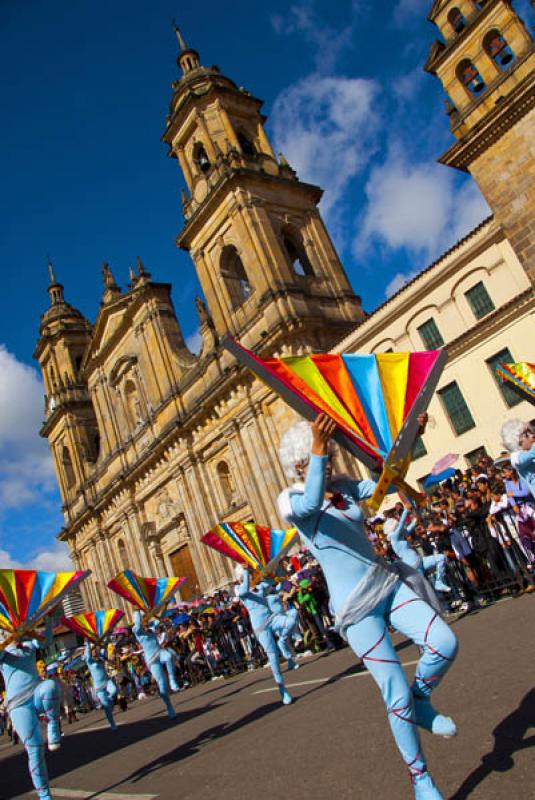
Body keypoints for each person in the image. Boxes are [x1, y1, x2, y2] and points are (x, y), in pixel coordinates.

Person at [278, 414, 458, 800]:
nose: (323, 464)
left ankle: (422, 700)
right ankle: (420, 779)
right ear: (299, 462)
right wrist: (318, 449)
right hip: (357, 611)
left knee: (444, 643)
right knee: (394, 692)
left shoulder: (343, 487)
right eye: (310, 457)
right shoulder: (290, 500)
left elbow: (384, 482)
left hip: (387, 584)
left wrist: (410, 439)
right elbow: (311, 504)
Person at [0, 620, 61, 800]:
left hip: (36, 693)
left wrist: (50, 620)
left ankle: (53, 724)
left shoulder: (28, 644)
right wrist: (9, 636)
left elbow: (45, 640)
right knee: (35, 749)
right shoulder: (4, 651)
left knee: (50, 686)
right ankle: (45, 796)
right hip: (18, 705)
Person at [236, 566, 293, 705]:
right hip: (261, 628)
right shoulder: (240, 592)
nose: (250, 577)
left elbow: (274, 582)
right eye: (247, 576)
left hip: (272, 619)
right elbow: (244, 590)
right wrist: (245, 572)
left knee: (291, 620)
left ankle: (282, 642)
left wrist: (269, 570)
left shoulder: (260, 587)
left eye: (250, 575)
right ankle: (282, 688)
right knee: (273, 658)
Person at [383, 507, 451, 594]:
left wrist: (415, 519)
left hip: (420, 561)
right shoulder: (394, 538)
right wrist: (406, 511)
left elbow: (408, 528)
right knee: (425, 590)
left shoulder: (399, 536)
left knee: (441, 558)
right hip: (413, 566)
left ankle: (439, 582)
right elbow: (401, 525)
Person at [132, 611, 176, 719]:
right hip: (151, 660)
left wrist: (164, 605)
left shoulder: (151, 630)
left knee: (169, 656)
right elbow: (138, 625)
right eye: (144, 624)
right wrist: (138, 611)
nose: (146, 625)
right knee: (162, 686)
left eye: (147, 623)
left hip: (159, 653)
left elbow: (159, 619)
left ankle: (172, 679)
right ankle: (169, 706)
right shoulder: (137, 632)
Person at [84, 641, 117, 730]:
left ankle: (110, 701)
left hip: (107, 682)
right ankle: (112, 724)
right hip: (99, 688)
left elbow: (109, 654)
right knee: (106, 707)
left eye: (95, 649)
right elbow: (87, 654)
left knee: (114, 690)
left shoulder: (101, 658)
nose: (94, 651)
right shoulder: (89, 661)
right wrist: (87, 643)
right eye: (93, 650)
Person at [501, 420, 535, 499]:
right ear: (518, 442)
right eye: (526, 435)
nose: (532, 435)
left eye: (530, 431)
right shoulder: (515, 457)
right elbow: (531, 453)